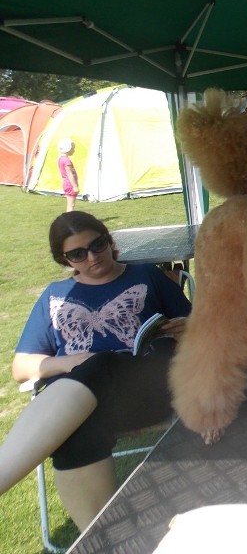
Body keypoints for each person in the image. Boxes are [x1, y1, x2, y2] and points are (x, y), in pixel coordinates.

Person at [0, 211, 191, 531]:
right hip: (82, 405)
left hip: (146, 390)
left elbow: (207, 328)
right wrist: (69, 362)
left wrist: (191, 327)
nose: (92, 257)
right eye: (77, 253)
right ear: (64, 258)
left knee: (102, 364)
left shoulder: (146, 275)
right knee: (75, 434)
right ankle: (104, 537)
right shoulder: (54, 296)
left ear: (109, 240)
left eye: (97, 244)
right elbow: (21, 366)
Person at [57, 138, 80, 212]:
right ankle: (69, 220)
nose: (74, 150)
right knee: (71, 204)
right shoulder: (67, 161)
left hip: (66, 183)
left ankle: (69, 219)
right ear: (68, 149)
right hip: (70, 184)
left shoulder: (61, 159)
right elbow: (70, 174)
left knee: (70, 204)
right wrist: (75, 186)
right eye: (72, 148)